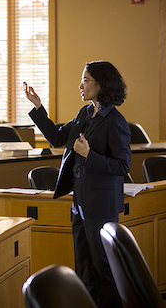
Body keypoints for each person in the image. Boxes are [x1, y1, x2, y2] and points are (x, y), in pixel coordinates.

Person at [24, 61, 131, 308]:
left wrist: (89, 155)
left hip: (101, 205)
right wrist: (38, 108)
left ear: (101, 84)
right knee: (84, 267)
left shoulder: (115, 121)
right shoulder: (85, 113)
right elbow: (57, 137)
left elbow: (122, 166)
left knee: (103, 267)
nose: (80, 85)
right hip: (80, 202)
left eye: (85, 80)